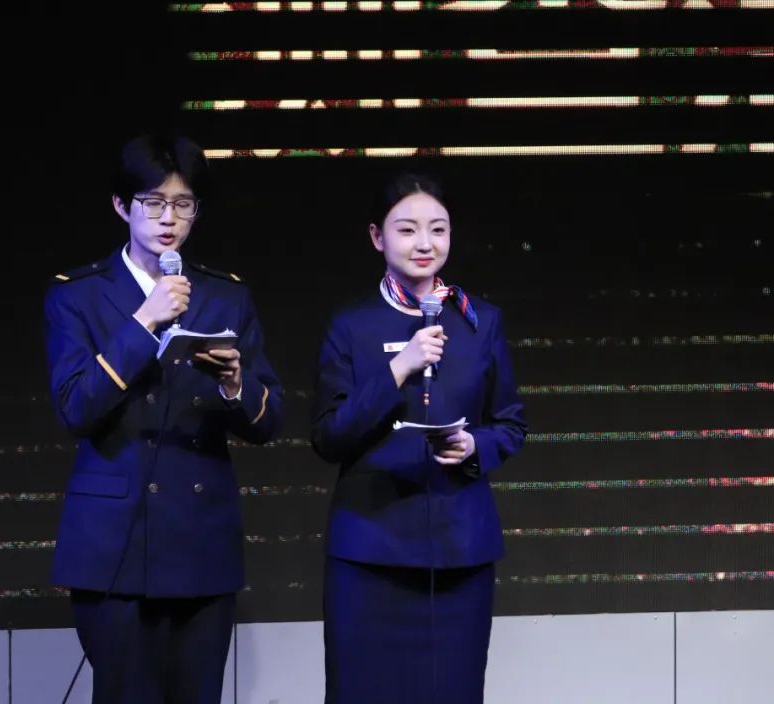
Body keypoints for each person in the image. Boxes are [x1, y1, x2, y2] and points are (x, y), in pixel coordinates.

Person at [44, 132, 282, 704]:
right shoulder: (76, 296)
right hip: (114, 544)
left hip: (201, 538)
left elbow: (269, 420)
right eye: (153, 203)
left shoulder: (226, 297)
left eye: (183, 204)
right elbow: (76, 407)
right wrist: (144, 322)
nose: (168, 218)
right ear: (121, 206)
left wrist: (234, 383)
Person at [311, 172, 526, 703]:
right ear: (377, 237)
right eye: (407, 229)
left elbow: (510, 423)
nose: (425, 243)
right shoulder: (351, 324)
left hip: (460, 551)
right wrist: (399, 368)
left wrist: (475, 447)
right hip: (369, 550)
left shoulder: (480, 322)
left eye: (438, 229)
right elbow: (329, 436)